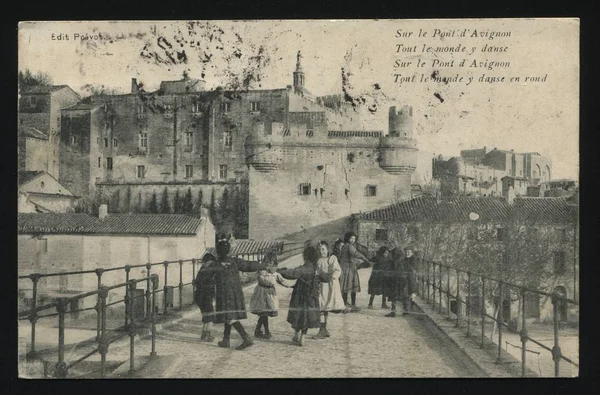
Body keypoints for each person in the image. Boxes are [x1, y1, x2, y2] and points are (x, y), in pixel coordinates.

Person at [213, 238, 266, 350]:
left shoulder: (216, 263)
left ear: (218, 251)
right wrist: (264, 265)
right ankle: (225, 340)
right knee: (229, 315)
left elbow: (207, 276)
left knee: (229, 316)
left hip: (224, 294)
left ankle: (246, 338)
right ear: (228, 251)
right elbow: (249, 266)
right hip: (235, 293)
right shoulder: (235, 261)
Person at [278, 246, 331, 346]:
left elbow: (291, 274)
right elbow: (327, 278)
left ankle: (296, 334)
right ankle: (303, 336)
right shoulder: (317, 269)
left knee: (298, 315)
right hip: (312, 296)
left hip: (299, 295)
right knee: (307, 315)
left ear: (305, 256)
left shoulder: (302, 268)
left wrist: (278, 270)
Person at [249, 251, 294, 339]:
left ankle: (258, 330)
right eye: (267, 263)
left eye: (271, 263)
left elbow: (283, 281)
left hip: (270, 294)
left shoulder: (276, 274)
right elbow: (251, 278)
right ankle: (266, 331)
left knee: (264, 313)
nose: (269, 265)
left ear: (274, 264)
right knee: (263, 313)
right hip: (260, 293)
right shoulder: (261, 272)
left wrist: (292, 285)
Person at [313, 241, 345, 339]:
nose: (321, 251)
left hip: (329, 286)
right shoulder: (317, 260)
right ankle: (323, 329)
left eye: (323, 249)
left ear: (327, 249)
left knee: (323, 307)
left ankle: (322, 329)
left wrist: (330, 277)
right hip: (321, 286)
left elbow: (337, 270)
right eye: (319, 249)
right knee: (322, 306)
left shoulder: (332, 258)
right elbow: (316, 272)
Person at [339, 232, 371, 312]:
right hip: (350, 269)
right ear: (347, 238)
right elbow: (356, 254)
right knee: (353, 287)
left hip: (345, 268)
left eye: (354, 238)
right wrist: (365, 258)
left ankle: (344, 305)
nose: (353, 240)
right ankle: (353, 306)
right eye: (351, 238)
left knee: (345, 288)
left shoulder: (344, 246)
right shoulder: (349, 246)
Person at [193, 253, 219, 342]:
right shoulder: (210, 270)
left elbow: (196, 282)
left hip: (198, 295)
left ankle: (204, 335)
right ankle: (207, 335)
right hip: (206, 295)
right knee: (210, 316)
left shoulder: (202, 269)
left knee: (205, 315)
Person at [383, 247, 410, 317]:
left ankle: (393, 311)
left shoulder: (394, 262)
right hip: (403, 280)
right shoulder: (403, 261)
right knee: (404, 295)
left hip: (396, 281)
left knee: (394, 296)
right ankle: (406, 310)